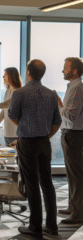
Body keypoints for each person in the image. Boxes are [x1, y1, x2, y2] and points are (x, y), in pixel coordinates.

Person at [8, 59, 61, 238]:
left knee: (32, 185)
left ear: (28, 73)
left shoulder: (20, 93)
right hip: (44, 143)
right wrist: (46, 136)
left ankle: (35, 227)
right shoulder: (51, 94)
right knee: (47, 184)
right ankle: (52, 227)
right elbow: (57, 121)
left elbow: (13, 116)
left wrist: (24, 127)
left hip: (27, 143)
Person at [56, 57, 83, 224]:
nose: (62, 70)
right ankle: (73, 207)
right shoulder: (73, 87)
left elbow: (71, 116)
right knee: (72, 175)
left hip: (73, 135)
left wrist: (58, 105)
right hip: (69, 134)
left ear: (74, 71)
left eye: (65, 68)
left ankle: (78, 213)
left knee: (76, 175)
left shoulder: (78, 88)